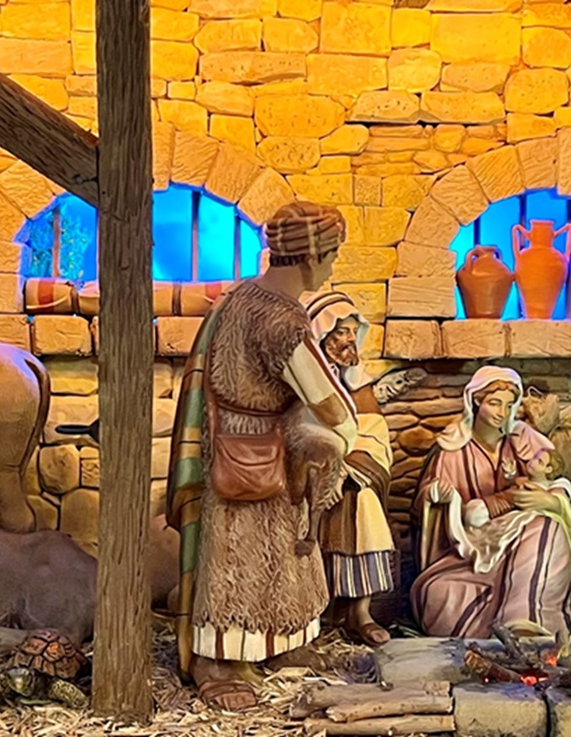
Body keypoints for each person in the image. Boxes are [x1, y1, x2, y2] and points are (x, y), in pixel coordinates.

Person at [165, 202, 358, 712]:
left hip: (255, 444)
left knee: (281, 555)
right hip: (251, 453)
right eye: (332, 255)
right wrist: (344, 429)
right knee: (237, 560)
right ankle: (218, 662)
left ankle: (276, 644)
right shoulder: (279, 319)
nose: (332, 267)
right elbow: (325, 398)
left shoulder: (242, 296)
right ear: (311, 257)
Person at [411, 366, 571, 639]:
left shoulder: (525, 443)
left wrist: (552, 502)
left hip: (520, 545)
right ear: (476, 401)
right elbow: (426, 511)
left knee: (547, 529)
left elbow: (556, 480)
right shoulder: (451, 450)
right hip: (468, 554)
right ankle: (563, 610)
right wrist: (442, 499)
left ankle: (524, 624)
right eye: (494, 403)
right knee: (439, 595)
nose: (502, 412)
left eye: (509, 405)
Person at [303, 291, 396, 647]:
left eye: (353, 332)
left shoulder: (356, 381)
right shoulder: (303, 377)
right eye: (341, 331)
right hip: (306, 474)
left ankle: (360, 612)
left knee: (365, 506)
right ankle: (308, 613)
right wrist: (325, 469)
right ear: (321, 334)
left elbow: (373, 429)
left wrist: (347, 471)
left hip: (349, 473)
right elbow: (296, 427)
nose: (348, 340)